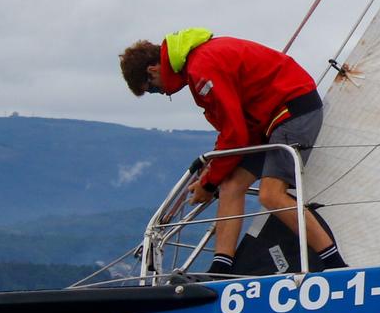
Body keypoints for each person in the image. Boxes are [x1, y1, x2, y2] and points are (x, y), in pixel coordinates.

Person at [119, 28, 347, 276]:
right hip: (267, 122)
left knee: (271, 195)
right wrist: (212, 177)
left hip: (292, 111)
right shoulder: (197, 63)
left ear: (153, 70)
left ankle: (336, 266)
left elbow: (235, 134)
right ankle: (221, 269)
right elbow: (233, 130)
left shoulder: (201, 68)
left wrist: (207, 184)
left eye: (152, 89)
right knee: (231, 186)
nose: (161, 93)